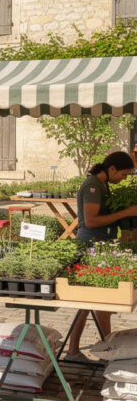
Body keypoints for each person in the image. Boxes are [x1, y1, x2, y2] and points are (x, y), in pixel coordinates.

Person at [66, 151, 137, 359]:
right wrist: (126, 213)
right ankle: (74, 350)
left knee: (101, 303)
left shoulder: (103, 185)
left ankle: (107, 346)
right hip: (90, 245)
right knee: (86, 302)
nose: (123, 179)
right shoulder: (93, 185)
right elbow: (91, 221)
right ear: (112, 169)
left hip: (101, 245)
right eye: (123, 174)